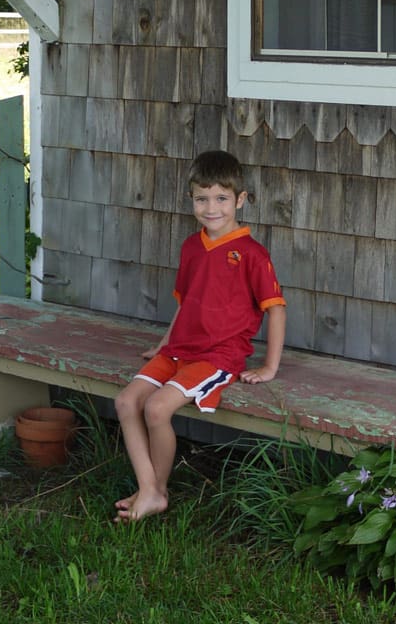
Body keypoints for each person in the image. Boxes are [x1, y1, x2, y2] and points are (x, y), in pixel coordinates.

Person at [113, 149, 286, 522]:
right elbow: (185, 303)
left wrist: (270, 366)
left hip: (217, 356)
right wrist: (164, 343)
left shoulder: (252, 254)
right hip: (178, 349)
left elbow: (276, 308)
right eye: (202, 198)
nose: (212, 208)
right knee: (127, 402)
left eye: (222, 198)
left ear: (239, 199)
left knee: (157, 409)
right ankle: (151, 490)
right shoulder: (192, 246)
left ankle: (154, 491)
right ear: (191, 199)